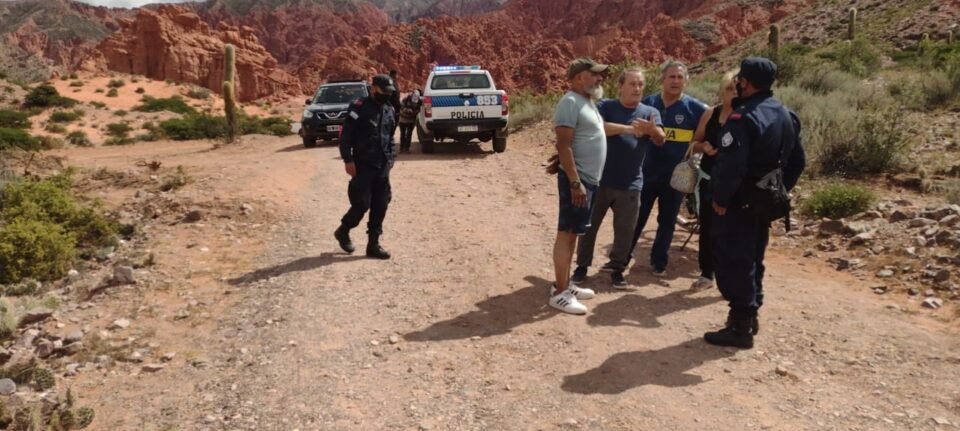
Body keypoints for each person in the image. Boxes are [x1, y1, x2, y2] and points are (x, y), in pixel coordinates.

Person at [704, 57, 806, 349]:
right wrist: (778, 190)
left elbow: (731, 166)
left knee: (732, 257)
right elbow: (798, 161)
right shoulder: (786, 114)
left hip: (739, 203)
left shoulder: (743, 118)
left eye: (739, 80)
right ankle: (750, 314)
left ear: (744, 82)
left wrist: (721, 198)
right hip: (764, 202)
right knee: (754, 257)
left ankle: (740, 324)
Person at [571, 67, 665, 289]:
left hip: (630, 184)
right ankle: (581, 267)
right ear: (620, 86)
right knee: (588, 227)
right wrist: (630, 130)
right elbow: (597, 127)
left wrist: (652, 131)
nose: (637, 88)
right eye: (632, 84)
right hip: (599, 180)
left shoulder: (650, 112)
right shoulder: (606, 106)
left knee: (625, 231)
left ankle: (617, 269)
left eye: (640, 84)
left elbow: (660, 139)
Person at [628, 61, 708, 277]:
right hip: (646, 172)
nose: (675, 81)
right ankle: (622, 257)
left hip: (676, 176)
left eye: (679, 77)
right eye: (671, 77)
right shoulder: (648, 104)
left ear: (686, 81)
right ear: (662, 79)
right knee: (637, 217)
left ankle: (658, 262)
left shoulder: (697, 109)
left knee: (667, 220)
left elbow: (709, 133)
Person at [548, 58, 608, 315]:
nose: (599, 79)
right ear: (579, 77)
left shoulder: (587, 103)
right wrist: (575, 182)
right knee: (566, 232)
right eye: (594, 74)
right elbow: (564, 145)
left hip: (587, 180)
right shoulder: (570, 102)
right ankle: (559, 293)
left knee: (574, 233)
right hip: (577, 181)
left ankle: (565, 283)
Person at [334, 74, 398, 260]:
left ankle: (373, 244)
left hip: (382, 165)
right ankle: (343, 230)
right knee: (361, 204)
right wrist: (348, 160)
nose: (387, 95)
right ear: (374, 89)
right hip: (363, 165)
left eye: (389, 92)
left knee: (381, 204)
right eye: (384, 91)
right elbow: (346, 136)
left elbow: (391, 136)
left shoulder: (389, 109)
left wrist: (391, 157)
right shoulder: (359, 107)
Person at [688, 70, 738, 291]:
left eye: (738, 89)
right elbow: (694, 142)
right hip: (709, 179)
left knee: (734, 229)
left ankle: (733, 275)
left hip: (736, 183)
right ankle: (707, 274)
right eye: (729, 89)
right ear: (722, 91)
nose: (733, 93)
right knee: (708, 227)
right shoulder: (710, 114)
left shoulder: (747, 117)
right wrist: (704, 147)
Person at [389, 69, 402, 136]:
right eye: (397, 75)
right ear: (394, 75)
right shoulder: (390, 82)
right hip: (391, 107)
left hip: (395, 107)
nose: (397, 76)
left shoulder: (394, 82)